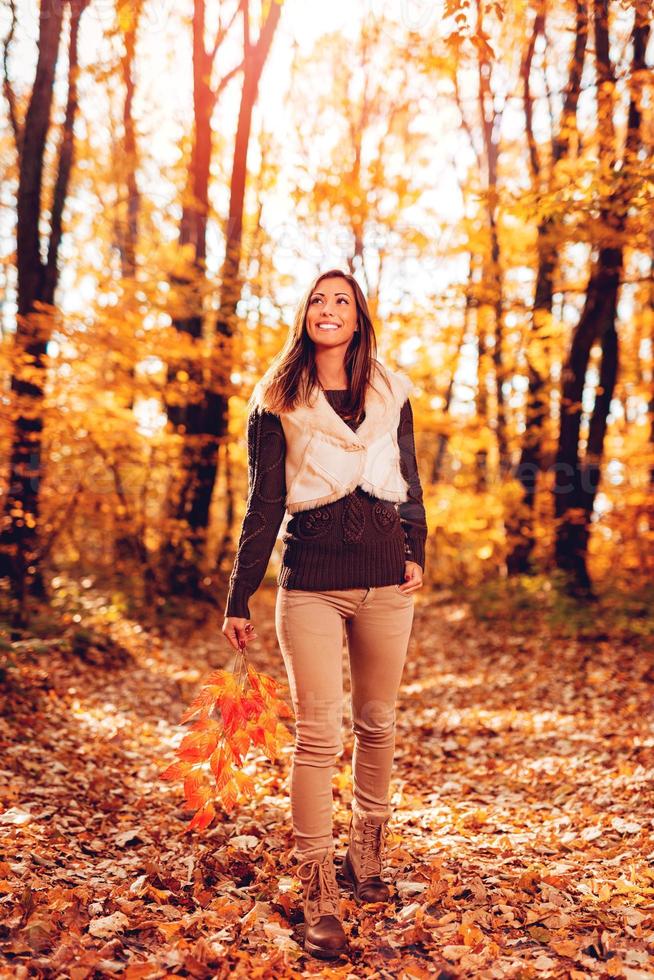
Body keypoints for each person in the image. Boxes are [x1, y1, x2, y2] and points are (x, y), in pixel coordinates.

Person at [221, 268, 427, 960]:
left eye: (341, 300)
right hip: (309, 582)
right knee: (318, 736)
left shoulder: (391, 390)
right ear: (303, 315)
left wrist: (417, 549)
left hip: (384, 582)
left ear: (359, 316)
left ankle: (365, 858)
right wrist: (238, 593)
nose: (328, 309)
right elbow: (263, 503)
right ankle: (317, 891)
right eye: (318, 299)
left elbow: (409, 478)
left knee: (378, 723)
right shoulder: (277, 397)